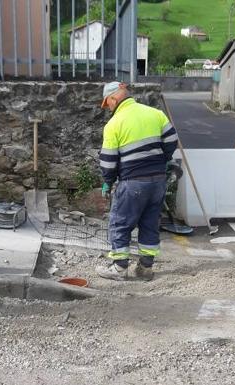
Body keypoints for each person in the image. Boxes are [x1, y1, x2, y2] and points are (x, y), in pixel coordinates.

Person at [96, 82, 178, 281]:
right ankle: (145, 268)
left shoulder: (114, 125)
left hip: (133, 182)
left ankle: (119, 268)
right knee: (149, 223)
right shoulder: (155, 114)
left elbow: (108, 161)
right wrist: (162, 161)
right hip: (158, 181)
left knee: (120, 223)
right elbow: (171, 141)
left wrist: (107, 181)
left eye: (108, 105)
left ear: (114, 98)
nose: (109, 109)